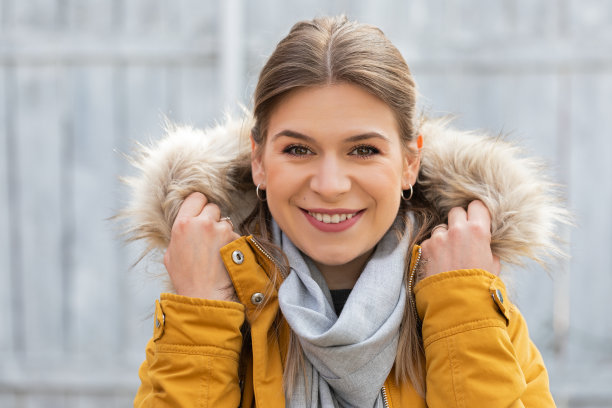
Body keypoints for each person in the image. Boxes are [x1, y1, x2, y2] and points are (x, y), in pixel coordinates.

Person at [121, 15, 567, 407]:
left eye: (363, 150)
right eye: (298, 149)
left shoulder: (470, 301)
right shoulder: (211, 296)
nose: (330, 185)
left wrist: (462, 309)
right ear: (258, 159)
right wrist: (200, 315)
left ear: (410, 163)